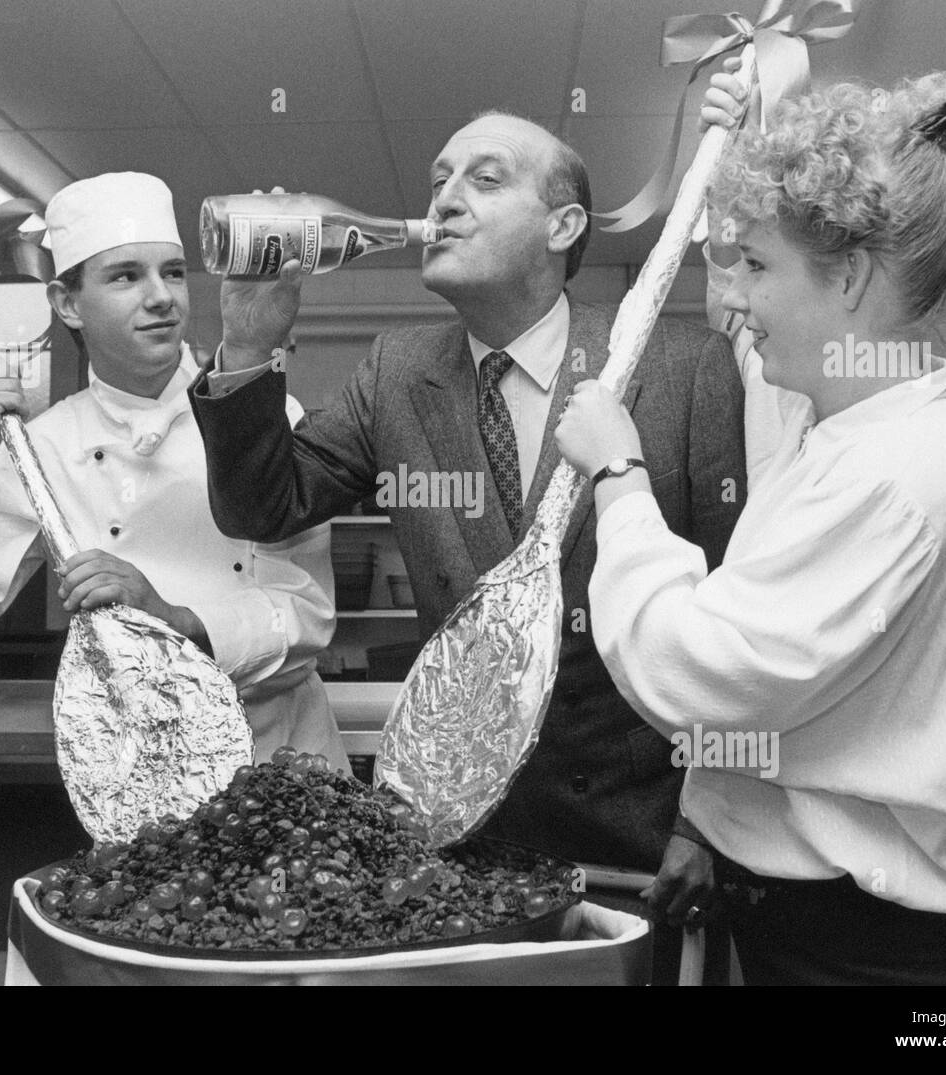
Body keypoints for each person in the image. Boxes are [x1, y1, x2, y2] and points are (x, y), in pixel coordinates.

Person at [187, 111, 747, 980]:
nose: (444, 200)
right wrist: (252, 343)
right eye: (439, 180)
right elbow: (266, 504)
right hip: (463, 843)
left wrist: (708, 819)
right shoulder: (397, 370)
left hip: (642, 845)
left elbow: (734, 609)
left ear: (563, 228)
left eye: (484, 181)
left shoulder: (680, 365)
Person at [555, 71, 946, 985]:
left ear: (850, 277)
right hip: (822, 928)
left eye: (760, 268)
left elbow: (698, 669)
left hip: (891, 961)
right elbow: (737, 319)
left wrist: (619, 476)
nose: (734, 296)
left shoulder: (900, 471)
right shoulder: (834, 425)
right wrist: (730, 153)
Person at [0, 171, 349, 772]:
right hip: (143, 773)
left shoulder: (263, 416)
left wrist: (177, 621)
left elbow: (308, 615)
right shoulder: (45, 450)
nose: (161, 297)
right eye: (126, 277)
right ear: (67, 304)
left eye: (173, 272)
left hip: (285, 760)